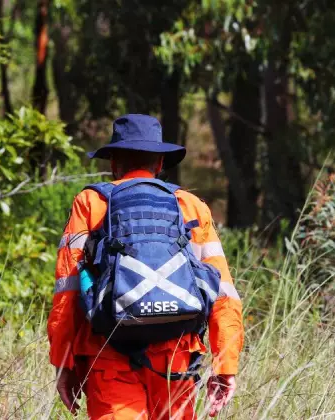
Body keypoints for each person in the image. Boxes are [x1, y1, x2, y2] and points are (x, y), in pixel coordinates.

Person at [48, 114, 244, 419]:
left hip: (108, 357)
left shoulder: (90, 203)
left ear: (113, 162)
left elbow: (68, 289)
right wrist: (225, 365)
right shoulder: (190, 206)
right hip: (176, 360)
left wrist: (64, 363)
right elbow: (223, 292)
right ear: (161, 162)